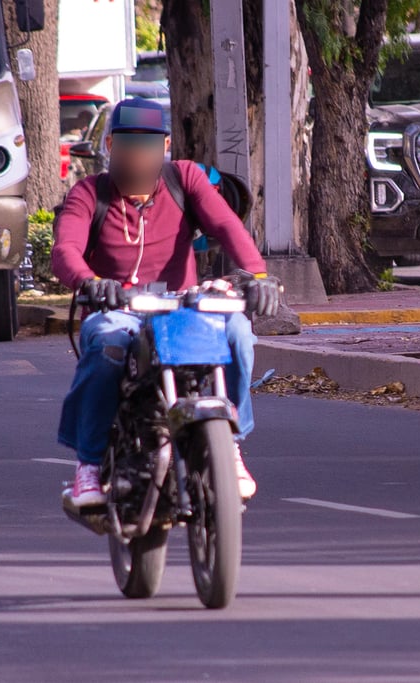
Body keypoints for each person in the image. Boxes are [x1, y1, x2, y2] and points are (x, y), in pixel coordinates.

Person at [52, 98, 280, 507]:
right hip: (117, 311)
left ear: (166, 145)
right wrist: (91, 283)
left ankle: (230, 444)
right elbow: (65, 248)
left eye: (148, 145)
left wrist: (258, 276)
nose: (137, 155)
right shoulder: (89, 193)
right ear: (109, 144)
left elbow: (227, 225)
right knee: (106, 349)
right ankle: (88, 466)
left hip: (182, 310)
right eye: (127, 144)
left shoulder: (186, 179)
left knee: (239, 333)